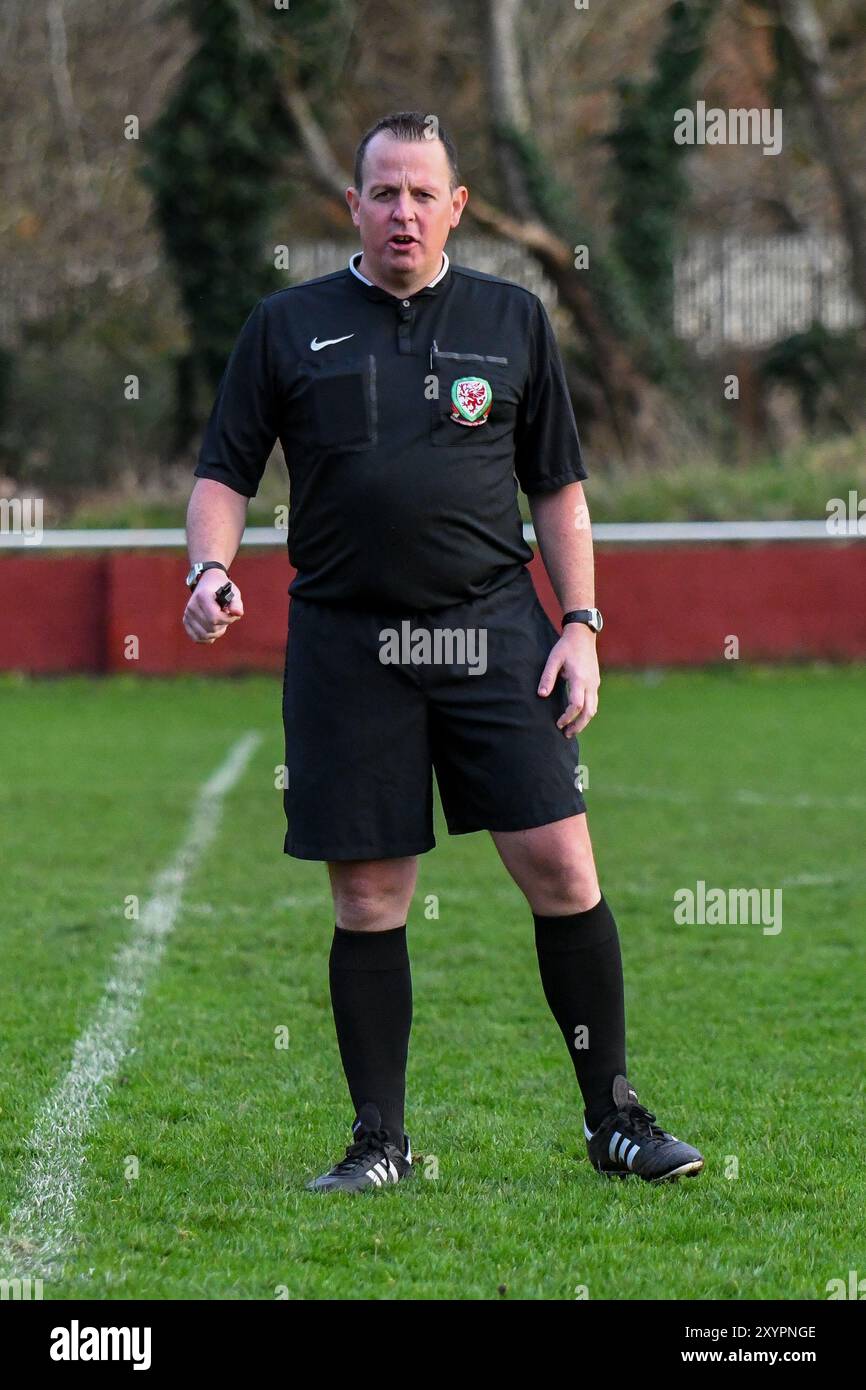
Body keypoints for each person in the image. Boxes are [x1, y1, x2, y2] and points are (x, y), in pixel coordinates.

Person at [184, 111, 703, 1191]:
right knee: (369, 897)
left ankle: (612, 1119)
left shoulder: (513, 320)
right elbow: (224, 474)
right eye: (383, 192)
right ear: (353, 207)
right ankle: (379, 1142)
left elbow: (557, 487)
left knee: (562, 868)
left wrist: (580, 625)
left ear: (457, 206)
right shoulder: (286, 326)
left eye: (423, 193)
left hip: (492, 629)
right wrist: (208, 568)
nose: (402, 212)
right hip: (346, 642)